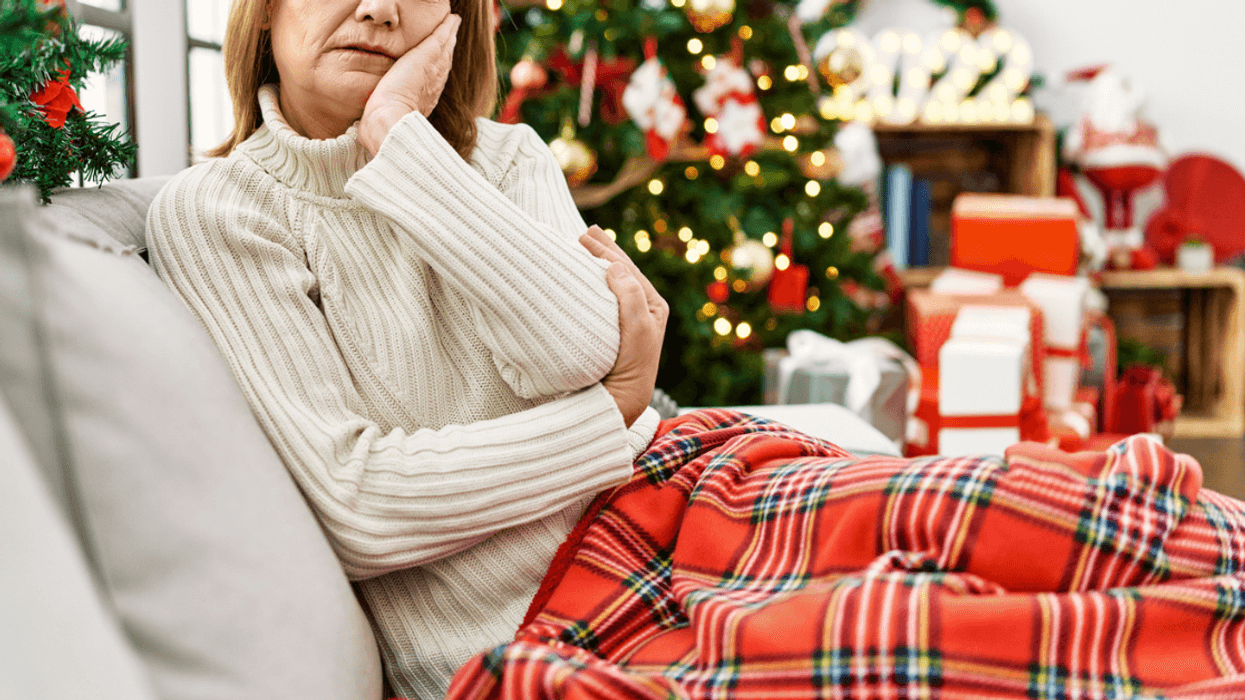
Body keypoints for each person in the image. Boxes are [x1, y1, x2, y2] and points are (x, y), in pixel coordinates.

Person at [147, 0, 667, 696]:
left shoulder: (506, 157)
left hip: (675, 505)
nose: (379, 10)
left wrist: (398, 139)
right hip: (553, 635)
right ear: (264, 12)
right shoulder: (219, 213)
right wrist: (611, 413)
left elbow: (577, 351)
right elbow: (355, 504)